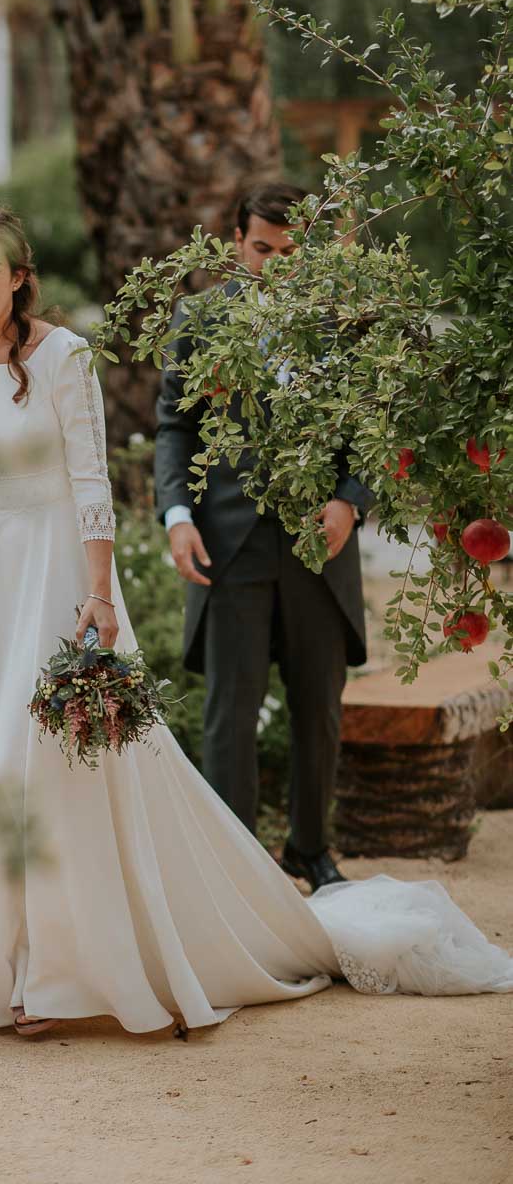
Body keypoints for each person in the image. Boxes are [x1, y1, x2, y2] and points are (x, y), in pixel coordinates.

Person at [0, 206, 513, 1043]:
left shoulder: (64, 357)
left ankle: (52, 973)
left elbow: (89, 485)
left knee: (51, 768)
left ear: (17, 276)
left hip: (57, 582)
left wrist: (98, 595)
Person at [154, 182, 372, 892]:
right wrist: (176, 516)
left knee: (319, 710)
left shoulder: (346, 320)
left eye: (289, 250)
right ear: (235, 241)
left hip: (319, 547)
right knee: (229, 714)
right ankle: (233, 869)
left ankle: (309, 851)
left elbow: (373, 427)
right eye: (260, 248)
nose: (275, 263)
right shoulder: (200, 316)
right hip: (226, 546)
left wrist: (349, 502)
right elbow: (174, 428)